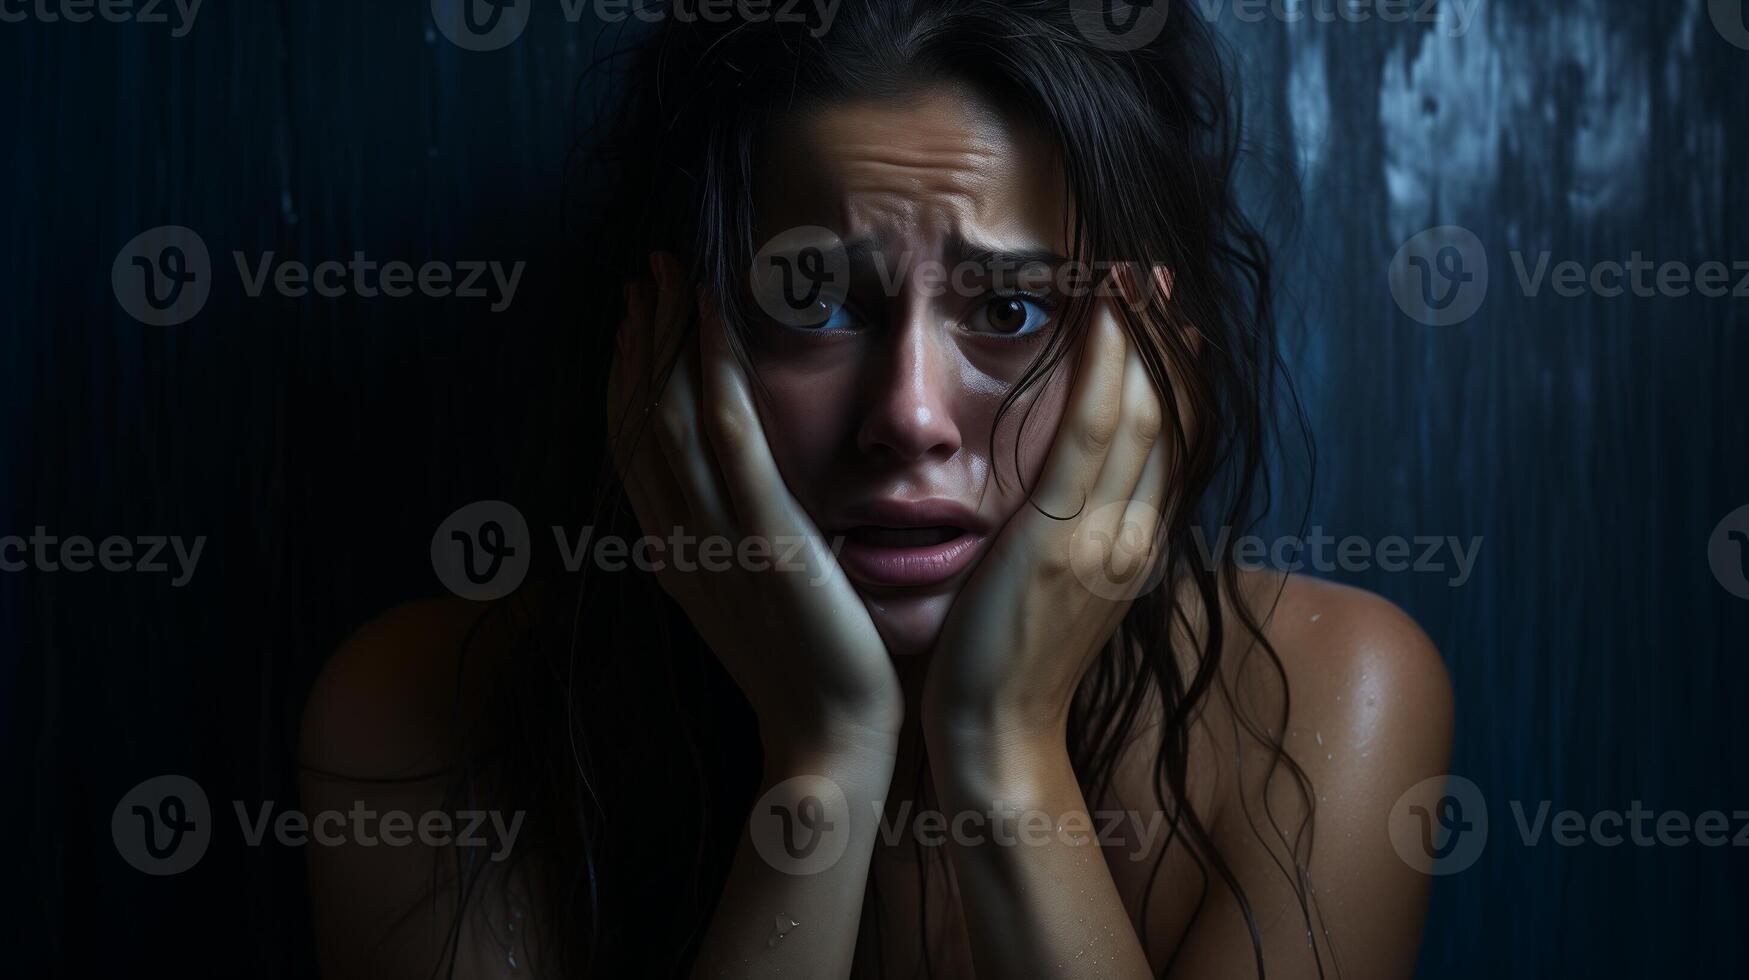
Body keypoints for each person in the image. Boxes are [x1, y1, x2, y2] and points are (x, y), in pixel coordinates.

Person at [300, 3, 1453, 976]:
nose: (907, 415)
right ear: (659, 341)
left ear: (1151, 359)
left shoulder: (1324, 704)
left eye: (1011, 312)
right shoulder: (428, 721)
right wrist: (824, 757)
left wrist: (1006, 752)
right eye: (814, 296)